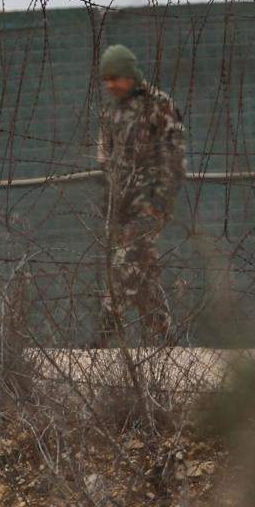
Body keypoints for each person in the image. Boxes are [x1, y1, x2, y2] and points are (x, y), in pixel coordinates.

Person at [94, 43, 188, 343]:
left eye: (116, 78)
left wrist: (158, 203)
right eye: (106, 79)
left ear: (130, 75)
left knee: (125, 263)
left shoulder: (158, 105)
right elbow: (104, 155)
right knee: (142, 269)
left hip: (149, 202)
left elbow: (175, 159)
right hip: (120, 203)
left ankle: (107, 327)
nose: (110, 85)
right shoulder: (112, 111)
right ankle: (162, 332)